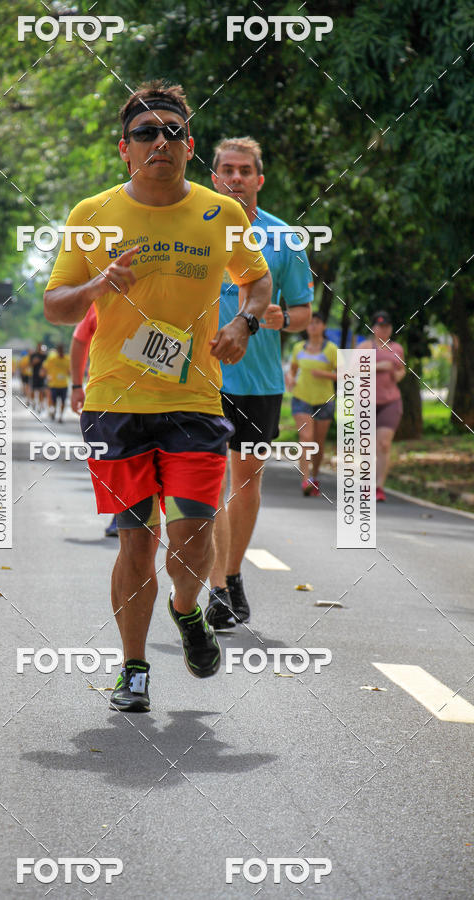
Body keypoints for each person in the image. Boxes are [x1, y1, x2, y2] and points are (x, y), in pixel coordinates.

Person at [44, 80, 272, 712]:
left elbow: (257, 282)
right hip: (116, 402)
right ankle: (134, 668)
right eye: (146, 133)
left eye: (172, 132)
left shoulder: (221, 214)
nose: (159, 143)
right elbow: (55, 307)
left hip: (195, 400)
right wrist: (98, 283)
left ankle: (188, 610)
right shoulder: (91, 216)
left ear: (189, 146)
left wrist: (243, 323)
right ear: (125, 148)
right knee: (137, 540)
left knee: (195, 534)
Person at [206, 137, 313, 630]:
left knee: (244, 486)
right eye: (226, 169)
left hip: (260, 381)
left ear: (259, 179)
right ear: (213, 177)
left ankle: (231, 574)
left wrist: (276, 319)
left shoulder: (285, 239)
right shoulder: (191, 227)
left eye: (245, 170)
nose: (236, 177)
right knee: (204, 485)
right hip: (199, 379)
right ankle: (215, 589)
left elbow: (304, 314)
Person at [69, 306, 118, 537]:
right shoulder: (102, 296)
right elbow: (80, 339)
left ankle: (129, 514)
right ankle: (124, 513)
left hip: (162, 398)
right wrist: (77, 386)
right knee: (118, 459)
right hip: (109, 398)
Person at [286, 310, 337, 496]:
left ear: (323, 326)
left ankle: (315, 476)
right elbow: (292, 370)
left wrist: (325, 374)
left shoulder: (331, 349)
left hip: (324, 400)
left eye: (317, 322)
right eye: (310, 323)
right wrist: (290, 378)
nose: (313, 326)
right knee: (306, 437)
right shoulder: (298, 348)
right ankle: (305, 480)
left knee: (318, 442)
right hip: (301, 398)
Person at [361, 310, 406, 501]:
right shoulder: (364, 347)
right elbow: (352, 371)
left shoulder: (397, 348)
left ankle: (379, 486)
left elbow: (402, 369)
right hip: (366, 402)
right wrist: (378, 367)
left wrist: (398, 374)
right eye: (380, 326)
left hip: (391, 401)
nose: (383, 329)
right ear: (373, 328)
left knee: (384, 444)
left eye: (387, 326)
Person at [44, 344, 69, 422]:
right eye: (59, 350)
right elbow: (45, 367)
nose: (61, 352)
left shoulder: (67, 359)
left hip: (64, 384)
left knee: (63, 401)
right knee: (53, 400)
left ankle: (61, 416)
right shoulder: (52, 359)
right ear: (58, 351)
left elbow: (70, 370)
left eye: (62, 350)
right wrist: (47, 376)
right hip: (54, 384)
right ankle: (54, 411)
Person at [29, 342, 47, 412]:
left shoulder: (44, 356)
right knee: (33, 390)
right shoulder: (33, 355)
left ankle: (40, 404)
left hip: (42, 376)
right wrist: (34, 362)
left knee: (41, 391)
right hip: (34, 375)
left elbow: (47, 365)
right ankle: (33, 402)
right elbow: (30, 364)